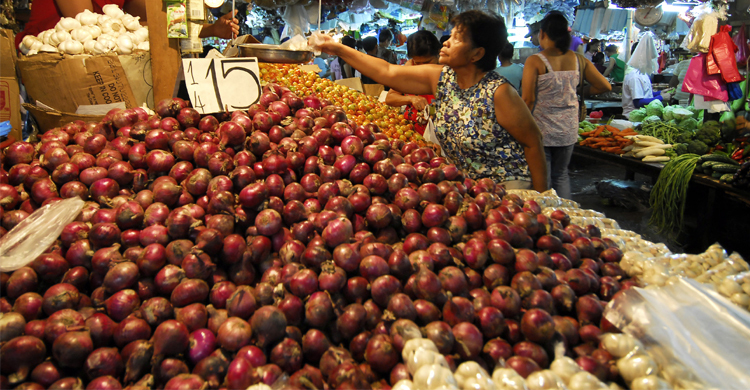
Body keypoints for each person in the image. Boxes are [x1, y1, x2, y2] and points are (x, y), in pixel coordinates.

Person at [311, 10, 548, 191]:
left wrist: (540, 199)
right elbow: (387, 72)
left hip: (509, 188)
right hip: (469, 187)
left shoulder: (499, 92)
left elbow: (533, 143)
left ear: (477, 53)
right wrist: (337, 48)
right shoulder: (441, 77)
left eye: (457, 38)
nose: (445, 41)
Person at [521, 12, 611, 199]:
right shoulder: (578, 60)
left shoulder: (536, 60)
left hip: (541, 129)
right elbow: (604, 85)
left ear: (543, 34)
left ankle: (544, 220)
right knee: (561, 175)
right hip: (568, 128)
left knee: (541, 180)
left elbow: (528, 99)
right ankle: (565, 220)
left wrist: (520, 129)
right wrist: (579, 91)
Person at [16, 0, 238, 47]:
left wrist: (212, 30)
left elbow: (149, 24)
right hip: (50, 58)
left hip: (106, 62)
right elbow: (85, 29)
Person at [385, 30, 441, 135]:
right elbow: (390, 98)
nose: (422, 67)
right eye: (418, 62)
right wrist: (411, 98)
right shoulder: (409, 69)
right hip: (412, 132)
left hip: (438, 136)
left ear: (438, 53)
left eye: (427, 62)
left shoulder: (447, 73)